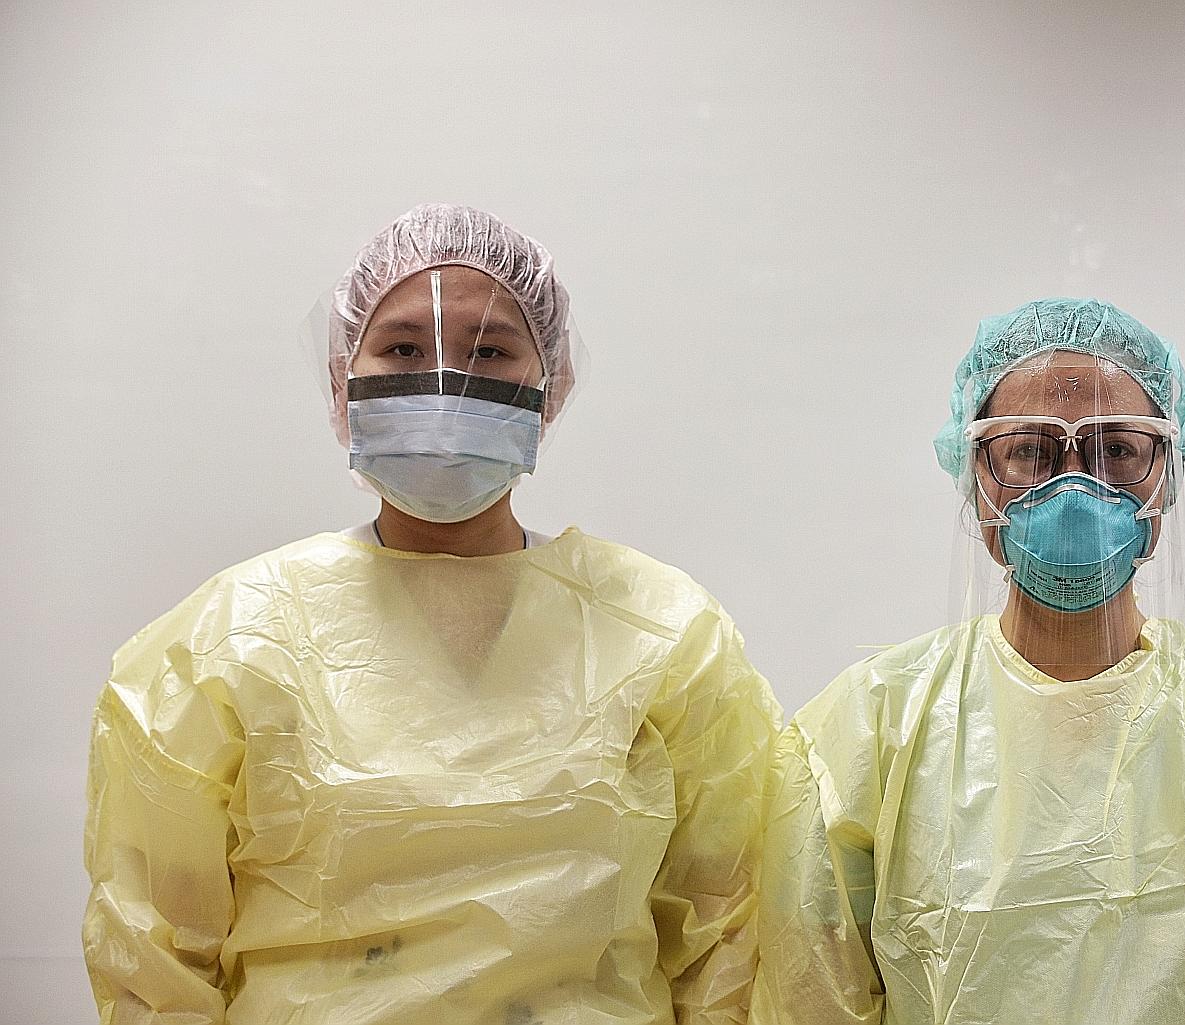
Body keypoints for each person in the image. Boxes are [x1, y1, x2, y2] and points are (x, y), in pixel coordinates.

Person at [83, 203, 782, 1024]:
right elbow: (155, 960)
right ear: (345, 376)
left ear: (545, 386)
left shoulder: (664, 631)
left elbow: (728, 937)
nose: (446, 385)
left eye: (489, 350)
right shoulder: (225, 641)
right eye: (405, 348)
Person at [751, 298, 1185, 1024]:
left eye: (1116, 449)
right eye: (1031, 449)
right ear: (977, 481)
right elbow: (809, 992)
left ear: (1166, 480)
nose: (1074, 485)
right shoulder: (867, 730)